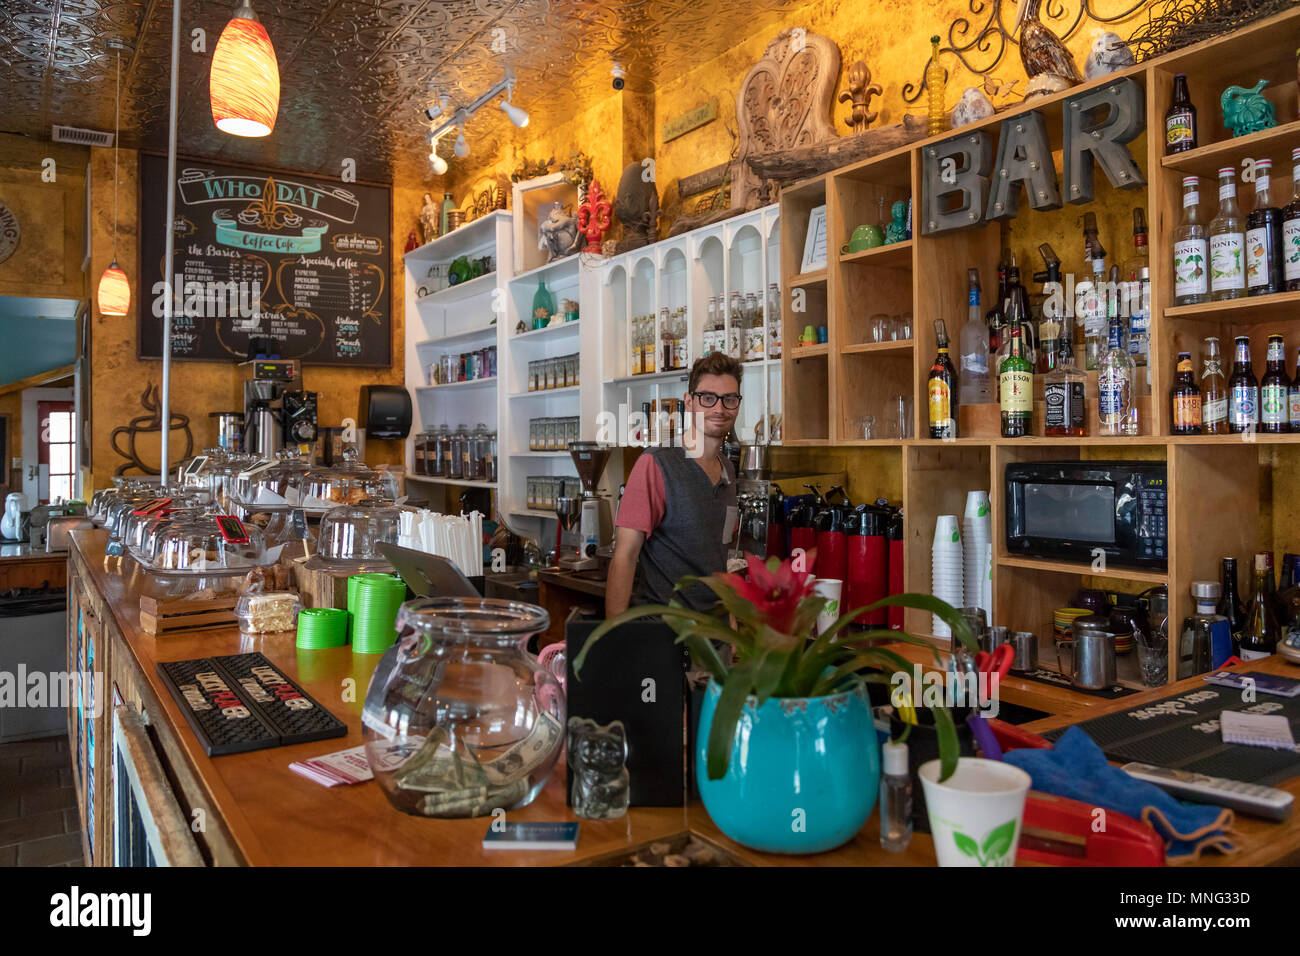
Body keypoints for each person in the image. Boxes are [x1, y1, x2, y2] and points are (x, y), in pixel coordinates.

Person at [605, 351, 741, 616]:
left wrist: (731, 625)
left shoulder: (727, 469)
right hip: (666, 633)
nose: (719, 409)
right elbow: (625, 557)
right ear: (689, 402)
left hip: (715, 637)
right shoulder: (657, 464)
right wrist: (615, 640)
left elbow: (720, 557)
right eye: (708, 398)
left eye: (730, 399)